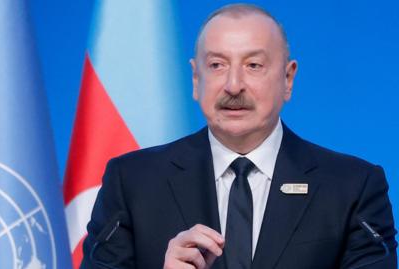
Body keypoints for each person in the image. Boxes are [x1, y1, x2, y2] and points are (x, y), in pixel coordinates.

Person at [80, 4, 397, 269]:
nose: (233, 85)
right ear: (195, 78)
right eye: (217, 65)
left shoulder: (353, 187)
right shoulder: (132, 181)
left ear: (288, 78)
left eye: (254, 65)